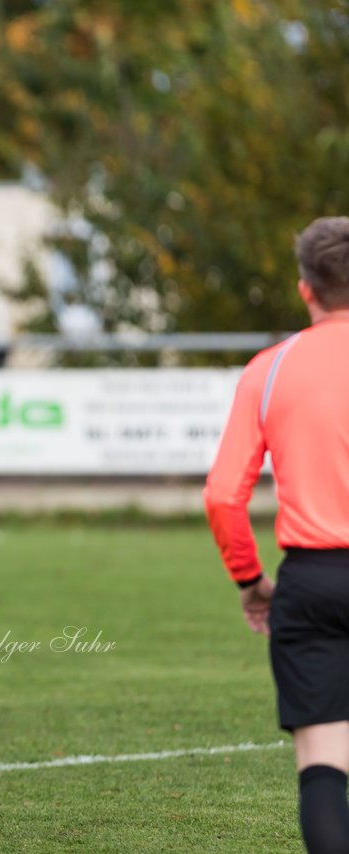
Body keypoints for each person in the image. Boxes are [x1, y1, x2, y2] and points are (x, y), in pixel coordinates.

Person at [204, 216, 349, 853]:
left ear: (305, 290)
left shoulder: (271, 366)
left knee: (322, 769)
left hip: (312, 584)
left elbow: (221, 495)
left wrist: (250, 581)